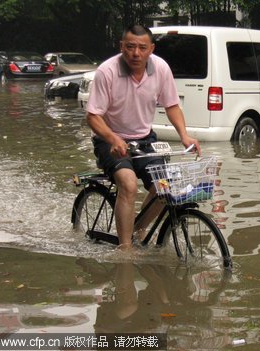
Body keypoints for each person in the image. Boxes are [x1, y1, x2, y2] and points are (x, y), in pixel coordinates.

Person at [85, 24, 200, 250]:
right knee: (128, 185)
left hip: (145, 139)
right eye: (130, 47)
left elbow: (172, 105)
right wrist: (113, 139)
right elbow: (93, 117)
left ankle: (137, 228)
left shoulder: (161, 68)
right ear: (121, 47)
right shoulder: (107, 71)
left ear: (151, 49)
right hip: (109, 140)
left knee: (164, 186)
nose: (136, 53)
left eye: (142, 48)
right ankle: (125, 249)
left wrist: (185, 136)